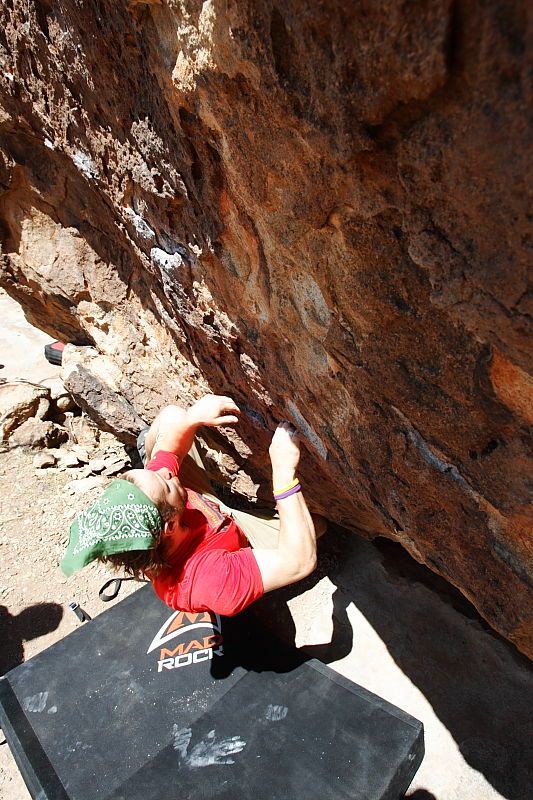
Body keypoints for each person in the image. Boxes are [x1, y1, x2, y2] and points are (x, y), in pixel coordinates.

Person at [60, 395, 325, 616]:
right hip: (227, 538)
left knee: (173, 417)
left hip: (203, 508)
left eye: (153, 473)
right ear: (168, 526)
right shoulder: (206, 580)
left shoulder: (151, 502)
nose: (164, 472)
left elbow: (172, 441)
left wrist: (193, 418)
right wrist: (283, 472)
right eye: (162, 482)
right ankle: (238, 517)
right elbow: (298, 562)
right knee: (314, 528)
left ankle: (150, 444)